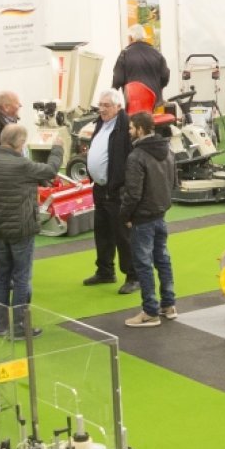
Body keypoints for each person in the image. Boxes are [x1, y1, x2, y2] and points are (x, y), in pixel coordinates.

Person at [0, 124, 57, 338]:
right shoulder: (22, 165)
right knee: (22, 277)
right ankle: (21, 326)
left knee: (2, 275)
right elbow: (50, 171)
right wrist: (57, 149)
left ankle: (0, 326)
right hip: (21, 229)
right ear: (19, 143)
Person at [121, 112, 179, 327]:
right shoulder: (169, 151)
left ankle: (149, 312)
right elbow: (174, 183)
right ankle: (169, 305)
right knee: (162, 260)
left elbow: (133, 193)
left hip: (143, 219)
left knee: (143, 264)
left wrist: (126, 215)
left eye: (131, 127)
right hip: (161, 215)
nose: (129, 131)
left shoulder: (136, 157)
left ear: (140, 129)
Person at [82, 90, 138, 292]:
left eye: (107, 105)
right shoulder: (100, 123)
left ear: (118, 107)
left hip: (118, 190)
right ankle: (105, 271)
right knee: (102, 232)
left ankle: (134, 276)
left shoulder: (127, 127)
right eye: (100, 104)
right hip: (100, 189)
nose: (102, 108)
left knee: (124, 235)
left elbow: (133, 160)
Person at [111, 24, 169, 110]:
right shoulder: (157, 53)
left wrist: (112, 93)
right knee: (152, 121)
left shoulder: (124, 54)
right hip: (154, 102)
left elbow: (118, 79)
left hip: (134, 102)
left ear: (131, 38)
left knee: (134, 122)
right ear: (144, 38)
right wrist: (156, 88)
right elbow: (165, 76)